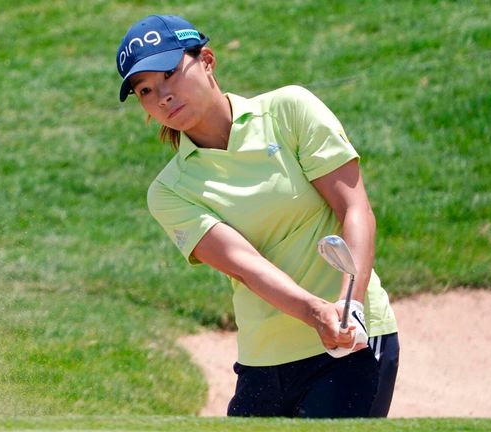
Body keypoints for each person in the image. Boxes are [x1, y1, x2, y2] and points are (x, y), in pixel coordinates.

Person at [115, 15, 399, 418]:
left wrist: (346, 304)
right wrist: (316, 314)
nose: (162, 95)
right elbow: (247, 266)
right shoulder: (170, 190)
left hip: (355, 343)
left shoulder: (289, 111)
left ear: (208, 60)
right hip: (263, 363)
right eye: (145, 90)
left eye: (170, 74)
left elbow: (355, 208)